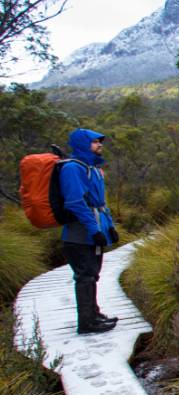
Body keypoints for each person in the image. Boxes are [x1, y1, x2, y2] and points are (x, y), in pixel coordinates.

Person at [60, 128, 120, 334]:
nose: (99, 145)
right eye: (94, 142)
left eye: (99, 142)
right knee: (85, 276)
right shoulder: (73, 169)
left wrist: (109, 227)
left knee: (93, 274)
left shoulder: (92, 168)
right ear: (83, 144)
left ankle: (94, 314)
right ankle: (86, 323)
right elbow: (76, 203)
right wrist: (94, 229)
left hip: (93, 231)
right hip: (79, 234)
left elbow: (101, 203)